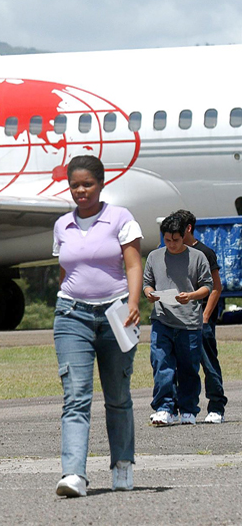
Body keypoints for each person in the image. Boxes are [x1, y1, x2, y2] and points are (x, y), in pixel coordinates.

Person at [52, 155, 143, 498]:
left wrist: (134, 302)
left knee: (117, 396)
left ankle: (122, 464)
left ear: (101, 184)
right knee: (75, 396)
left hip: (116, 313)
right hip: (72, 314)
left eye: (87, 184)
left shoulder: (121, 218)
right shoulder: (62, 225)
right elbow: (65, 271)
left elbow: (133, 265)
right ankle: (73, 474)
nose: (80, 191)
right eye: (74, 185)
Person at [144, 213, 212, 428]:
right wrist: (149, 293)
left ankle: (189, 409)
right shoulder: (154, 257)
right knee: (161, 364)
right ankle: (164, 408)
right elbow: (147, 282)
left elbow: (207, 286)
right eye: (167, 240)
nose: (171, 244)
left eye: (176, 240)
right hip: (162, 319)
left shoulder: (198, 257)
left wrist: (190, 296)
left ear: (185, 236)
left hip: (189, 322)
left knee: (188, 368)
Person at [173, 209, 227, 423]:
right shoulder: (172, 252)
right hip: (178, 318)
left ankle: (216, 407)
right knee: (179, 365)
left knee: (208, 363)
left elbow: (216, 287)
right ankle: (179, 408)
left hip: (200, 318)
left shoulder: (205, 252)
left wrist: (205, 316)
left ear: (188, 228)